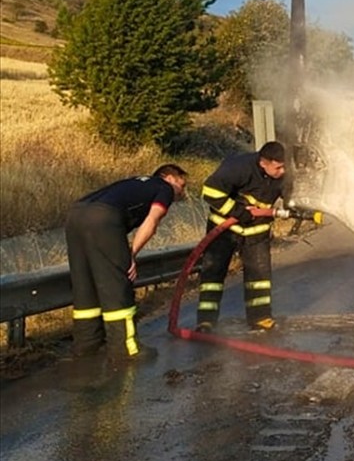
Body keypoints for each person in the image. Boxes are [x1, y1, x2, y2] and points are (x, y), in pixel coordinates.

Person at [66, 164, 189, 361]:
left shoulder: (134, 182)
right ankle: (125, 348)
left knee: (85, 282)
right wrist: (130, 253)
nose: (181, 192)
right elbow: (152, 221)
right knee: (117, 283)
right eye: (181, 185)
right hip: (104, 217)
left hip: (76, 214)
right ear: (168, 177)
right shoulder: (163, 187)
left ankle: (86, 344)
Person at [197, 141, 288, 332]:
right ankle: (206, 321)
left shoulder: (283, 175)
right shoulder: (238, 167)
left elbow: (290, 197)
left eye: (284, 166)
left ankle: (260, 318)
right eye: (278, 167)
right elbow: (210, 192)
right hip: (224, 229)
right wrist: (238, 212)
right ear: (263, 163)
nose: (283, 171)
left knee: (260, 276)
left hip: (257, 231)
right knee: (213, 274)